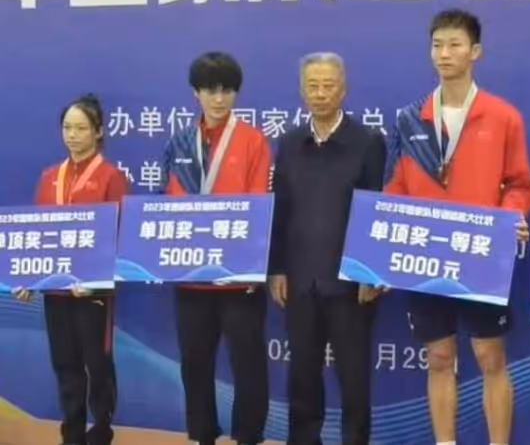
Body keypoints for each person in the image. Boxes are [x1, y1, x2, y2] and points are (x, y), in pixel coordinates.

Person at [384, 9, 530, 445]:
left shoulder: (503, 116)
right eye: (437, 45)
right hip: (424, 254)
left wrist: (511, 216)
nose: (444, 53)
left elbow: (521, 184)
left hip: (481, 254)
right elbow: (394, 188)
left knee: (490, 356)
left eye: (454, 44)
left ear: (476, 52)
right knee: (439, 356)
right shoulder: (410, 119)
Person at [268, 52, 386, 445]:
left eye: (328, 86)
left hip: (350, 283)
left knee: (354, 378)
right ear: (302, 91)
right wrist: (277, 268)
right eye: (312, 86)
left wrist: (370, 272)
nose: (320, 94)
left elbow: (375, 210)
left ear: (344, 89)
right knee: (302, 374)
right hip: (301, 280)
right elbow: (280, 208)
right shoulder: (289, 143)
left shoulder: (367, 142)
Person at [159, 52, 271, 445]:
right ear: (196, 93)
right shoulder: (179, 143)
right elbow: (166, 204)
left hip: (238, 278)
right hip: (191, 278)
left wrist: (251, 264)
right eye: (210, 90)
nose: (219, 99)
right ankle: (201, 435)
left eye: (227, 90)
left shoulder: (253, 140)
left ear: (236, 93)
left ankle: (248, 436)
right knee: (194, 363)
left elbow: (258, 205)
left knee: (248, 364)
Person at [14, 94, 128, 445]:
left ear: (98, 132)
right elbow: (39, 235)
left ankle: (102, 428)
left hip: (92, 293)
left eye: (81, 128)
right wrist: (29, 280)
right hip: (56, 290)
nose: (73, 135)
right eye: (67, 128)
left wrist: (95, 280)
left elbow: (118, 237)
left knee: (97, 362)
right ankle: (73, 432)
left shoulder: (111, 177)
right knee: (65, 363)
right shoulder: (50, 177)